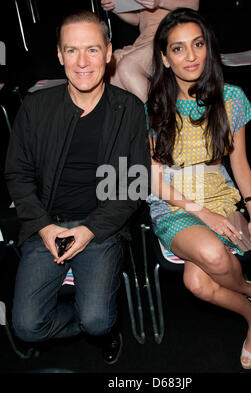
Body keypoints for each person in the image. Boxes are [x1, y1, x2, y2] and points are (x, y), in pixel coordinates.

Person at [146, 8, 251, 370]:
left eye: (197, 45)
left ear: (208, 48)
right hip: (173, 202)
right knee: (215, 256)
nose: (191, 56)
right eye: (178, 49)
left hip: (220, 193)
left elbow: (240, 162)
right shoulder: (154, 106)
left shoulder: (231, 97)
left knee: (198, 283)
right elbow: (153, 178)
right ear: (165, 59)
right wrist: (203, 214)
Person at [5, 9, 150, 365]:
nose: (82, 62)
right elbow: (18, 175)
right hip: (48, 224)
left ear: (109, 52)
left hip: (101, 225)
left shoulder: (128, 109)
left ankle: (104, 326)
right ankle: (86, 318)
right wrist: (43, 226)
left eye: (92, 50)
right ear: (59, 55)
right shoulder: (36, 108)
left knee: (98, 322)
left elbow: (133, 186)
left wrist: (91, 230)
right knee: (26, 327)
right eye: (72, 50)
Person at [100, 0, 199, 102]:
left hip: (167, 36)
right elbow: (137, 19)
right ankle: (137, 116)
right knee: (111, 70)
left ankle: (161, 115)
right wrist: (114, 7)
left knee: (128, 67)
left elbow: (194, 4)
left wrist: (160, 2)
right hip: (144, 39)